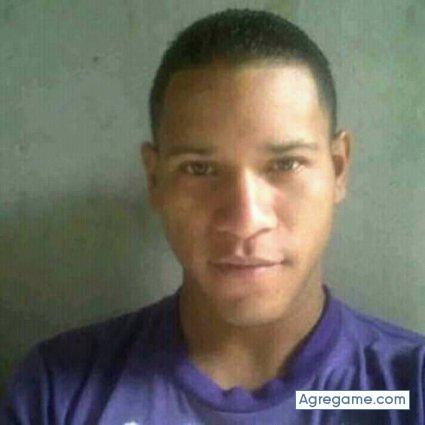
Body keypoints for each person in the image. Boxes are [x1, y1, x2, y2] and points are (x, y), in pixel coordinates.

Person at [1, 8, 424, 425]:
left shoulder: (411, 389)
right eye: (199, 169)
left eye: (286, 164)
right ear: (154, 179)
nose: (246, 220)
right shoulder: (59, 394)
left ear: (338, 168)